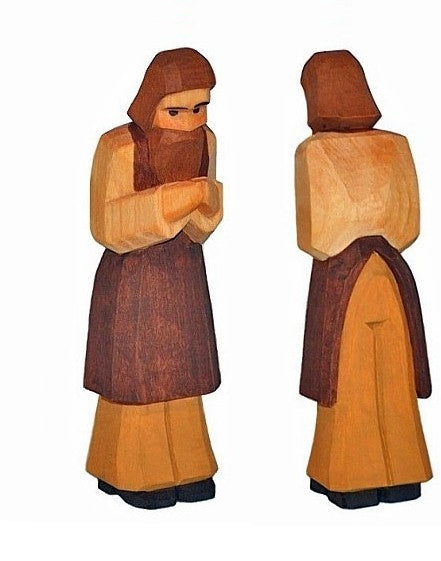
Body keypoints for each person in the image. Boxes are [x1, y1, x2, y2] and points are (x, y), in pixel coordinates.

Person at [84, 48, 223, 509]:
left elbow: (205, 220)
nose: (190, 121)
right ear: (150, 102)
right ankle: (131, 469)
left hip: (184, 273)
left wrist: (206, 207)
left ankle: (189, 464)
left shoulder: (207, 141)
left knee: (184, 370)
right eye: (176, 110)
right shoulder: (119, 147)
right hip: (133, 280)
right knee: (136, 375)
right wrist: (173, 200)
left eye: (200, 107)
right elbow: (106, 224)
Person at [296, 50, 433, 509]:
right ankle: (362, 473)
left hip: (357, 279)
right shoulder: (380, 147)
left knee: (375, 378)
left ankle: (381, 473)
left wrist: (353, 223)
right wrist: (374, 223)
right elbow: (397, 226)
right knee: (360, 379)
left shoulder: (318, 152)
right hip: (378, 278)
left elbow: (321, 235)